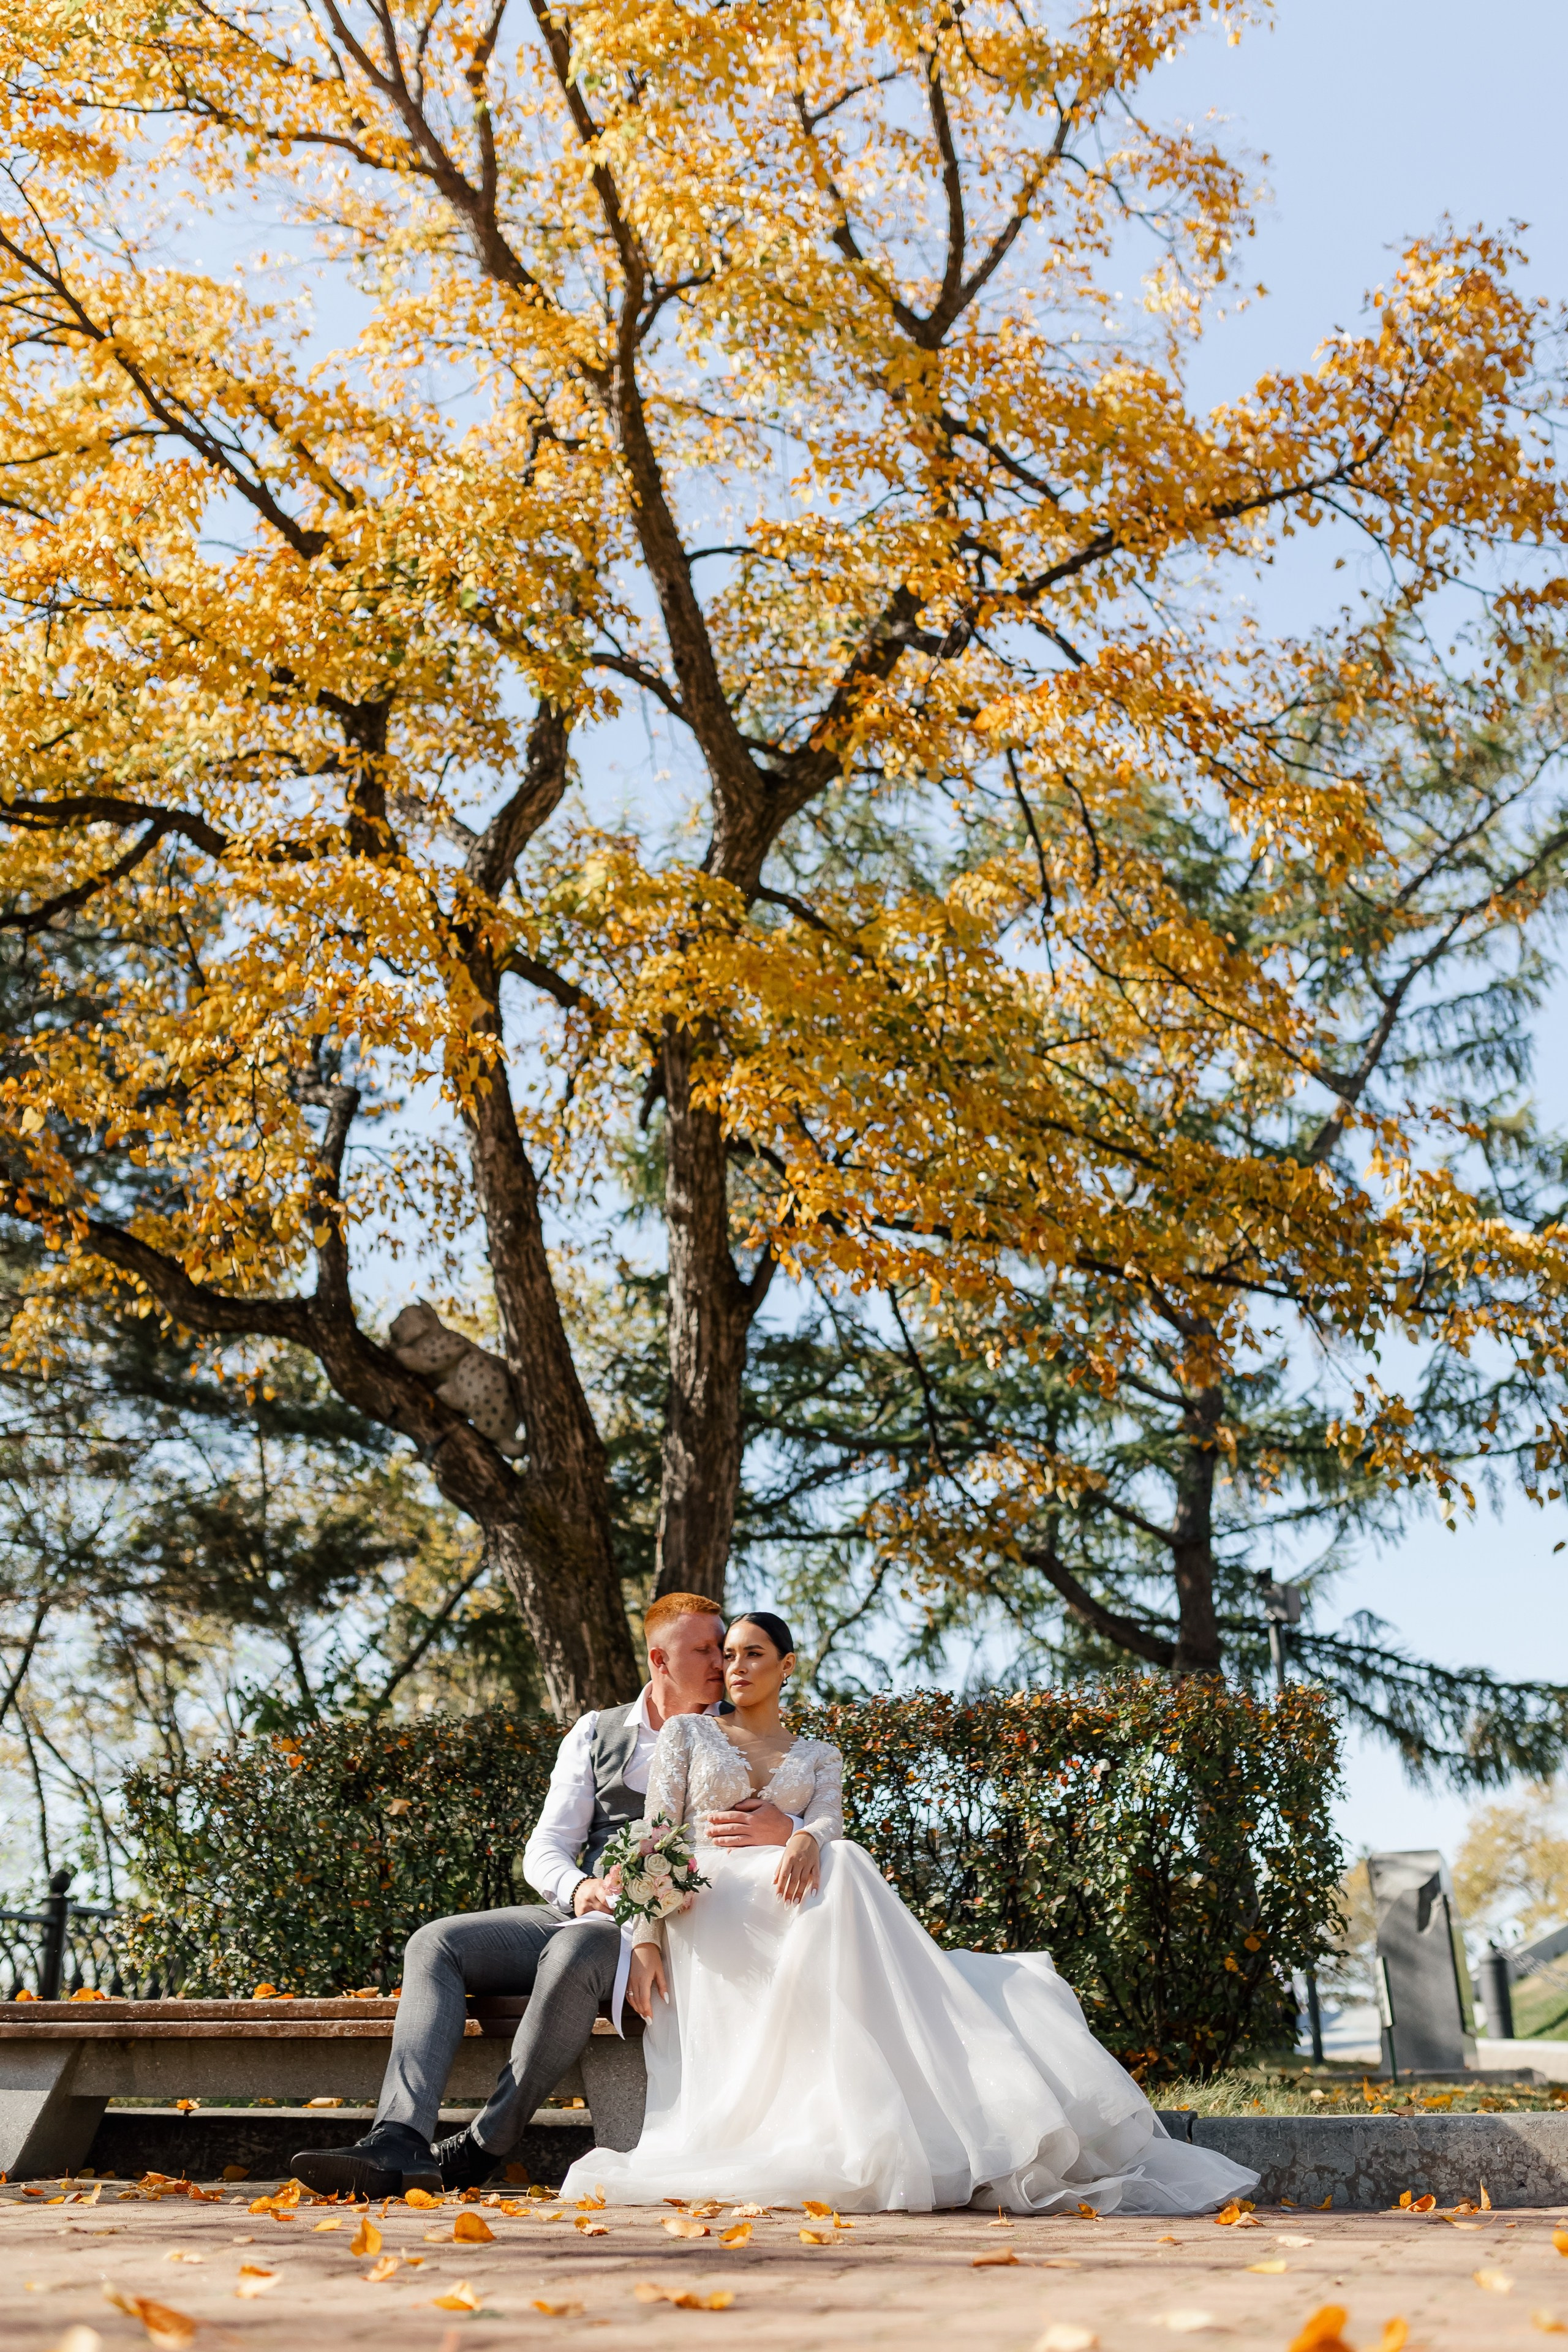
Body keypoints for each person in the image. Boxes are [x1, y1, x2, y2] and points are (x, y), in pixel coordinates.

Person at [560, 1612, 1261, 2215]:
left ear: (787, 1666)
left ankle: (882, 2112)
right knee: (849, 1865)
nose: (734, 1667)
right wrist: (645, 1939)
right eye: (727, 1654)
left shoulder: (818, 1753)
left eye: (751, 1654)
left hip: (794, 1899)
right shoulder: (686, 1736)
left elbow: (830, 1821)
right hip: (712, 1908)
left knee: (845, 1859)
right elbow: (658, 1834)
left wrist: (799, 1834)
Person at [289, 1592, 800, 2199]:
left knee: (576, 1949)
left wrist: (788, 1834)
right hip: (579, 1910)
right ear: (660, 1661)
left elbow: (782, 1831)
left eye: (727, 1647)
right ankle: (398, 2138)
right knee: (437, 1944)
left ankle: (481, 2147)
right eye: (706, 1649)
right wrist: (581, 1887)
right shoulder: (597, 1732)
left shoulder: (737, 1734)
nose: (724, 1661)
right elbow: (546, 1848)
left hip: (667, 1929)